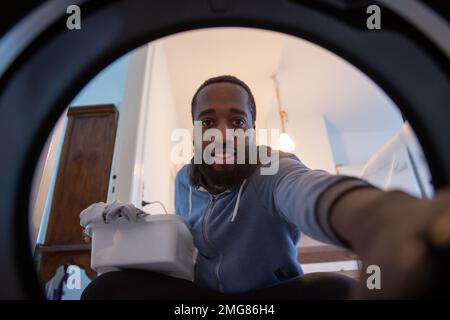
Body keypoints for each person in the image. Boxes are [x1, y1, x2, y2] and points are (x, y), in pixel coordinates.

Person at [81, 75, 450, 300]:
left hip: (271, 299)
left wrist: (377, 218)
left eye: (237, 121)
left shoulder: (274, 169)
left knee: (336, 290)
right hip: (203, 301)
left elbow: (307, 189)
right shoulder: (183, 179)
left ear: (253, 131)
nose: (223, 133)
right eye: (207, 121)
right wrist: (134, 234)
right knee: (106, 290)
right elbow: (188, 245)